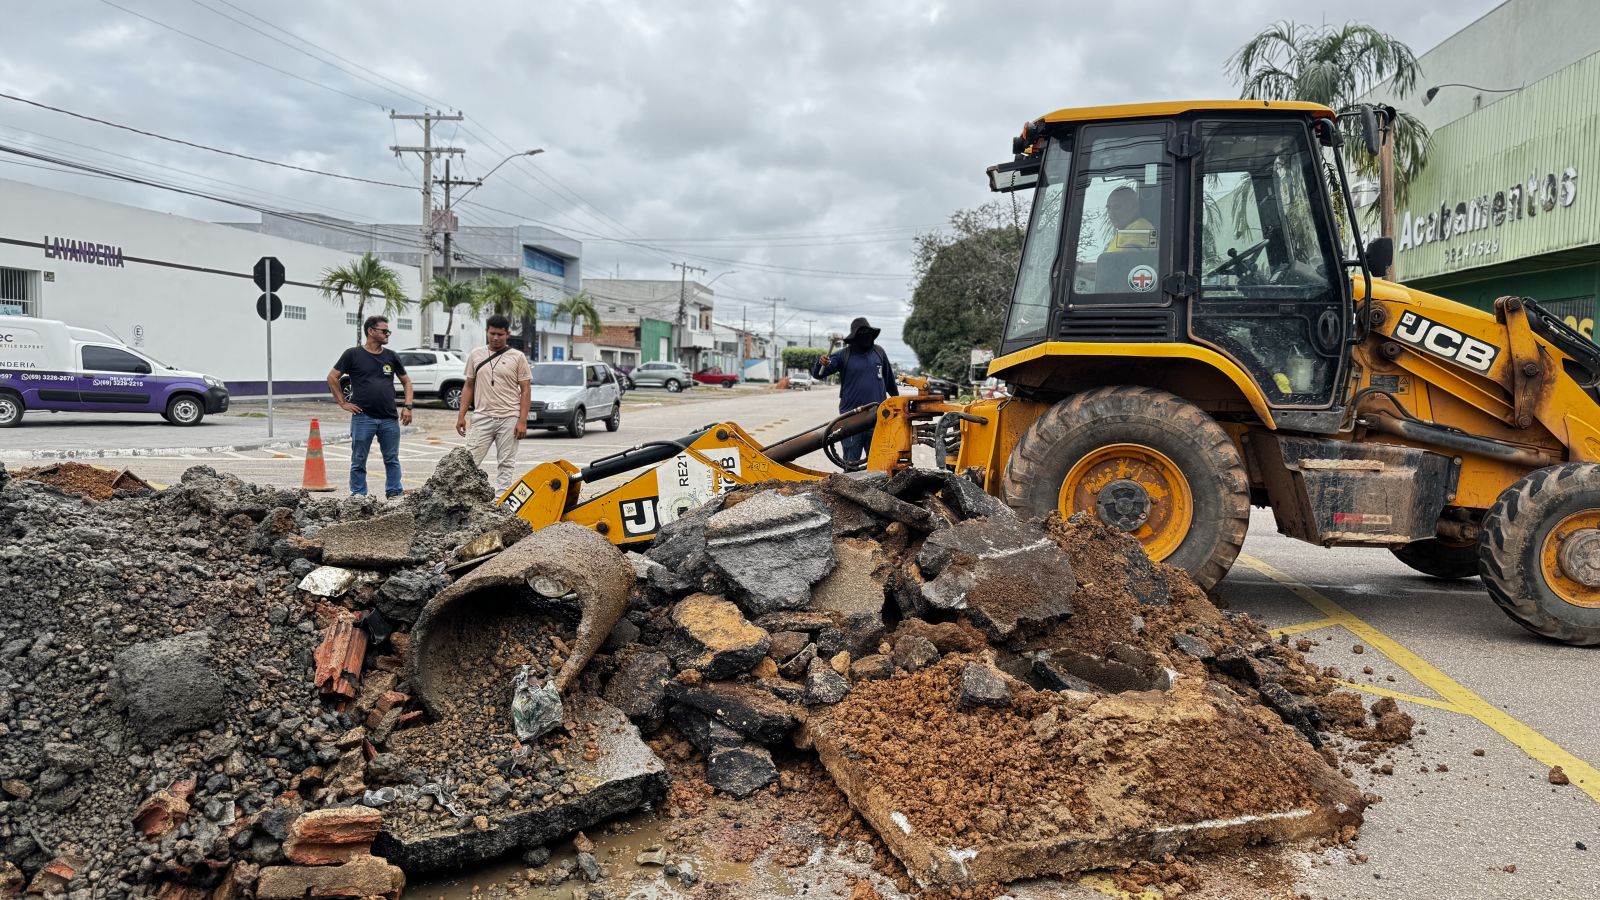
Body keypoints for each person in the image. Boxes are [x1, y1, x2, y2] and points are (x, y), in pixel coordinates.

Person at [327, 315, 412, 498]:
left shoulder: (391, 356)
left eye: (388, 331)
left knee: (392, 459)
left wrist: (408, 406)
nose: (388, 334)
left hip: (389, 418)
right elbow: (332, 377)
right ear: (371, 331)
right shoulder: (353, 354)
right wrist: (342, 402)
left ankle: (394, 491)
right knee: (358, 459)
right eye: (384, 331)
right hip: (363, 417)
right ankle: (358, 494)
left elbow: (406, 382)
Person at [456, 315, 532, 494]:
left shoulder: (518, 357)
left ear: (508, 334)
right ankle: (465, 496)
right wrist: (461, 415)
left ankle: (501, 499)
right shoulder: (476, 355)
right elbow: (468, 385)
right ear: (486, 332)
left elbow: (526, 390)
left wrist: (522, 420)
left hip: (509, 417)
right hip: (482, 416)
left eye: (500, 334)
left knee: (506, 462)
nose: (496, 338)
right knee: (470, 459)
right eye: (492, 333)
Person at [813, 316, 898, 466]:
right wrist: (821, 364)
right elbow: (819, 374)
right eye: (861, 333)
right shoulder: (843, 355)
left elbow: (889, 381)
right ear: (854, 337)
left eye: (868, 332)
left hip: (877, 418)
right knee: (851, 464)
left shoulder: (879, 353)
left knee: (878, 465)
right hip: (850, 420)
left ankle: (875, 490)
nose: (865, 336)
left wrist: (898, 405)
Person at [1105, 185, 1157, 250]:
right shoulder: (1124, 232)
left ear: (1134, 208)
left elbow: (1128, 257)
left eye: (1116, 207)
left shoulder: (1141, 226)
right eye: (1108, 208)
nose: (1111, 214)